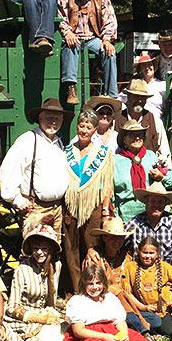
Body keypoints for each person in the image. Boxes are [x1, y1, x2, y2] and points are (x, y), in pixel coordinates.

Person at [62, 261, 151, 341]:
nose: (95, 287)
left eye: (98, 283)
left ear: (104, 284)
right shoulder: (78, 301)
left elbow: (120, 321)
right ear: (84, 284)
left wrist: (124, 334)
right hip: (88, 335)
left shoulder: (110, 299)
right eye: (90, 284)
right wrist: (105, 337)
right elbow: (78, 331)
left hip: (110, 330)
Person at [0, 97, 71, 236]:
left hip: (57, 209)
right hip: (35, 209)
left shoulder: (58, 143)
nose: (53, 122)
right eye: (49, 118)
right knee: (36, 252)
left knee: (53, 251)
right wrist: (17, 199)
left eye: (57, 119)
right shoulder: (27, 140)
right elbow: (7, 171)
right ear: (40, 118)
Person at [62, 106, 114, 292]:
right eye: (81, 126)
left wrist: (106, 210)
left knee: (92, 249)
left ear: (94, 130)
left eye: (88, 127)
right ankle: (75, 291)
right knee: (71, 251)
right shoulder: (67, 150)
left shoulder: (103, 153)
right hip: (70, 207)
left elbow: (107, 185)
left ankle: (95, 289)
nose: (84, 130)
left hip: (93, 206)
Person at [57, 0, 118, 103]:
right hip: (74, 37)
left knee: (110, 53)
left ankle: (112, 95)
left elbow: (110, 20)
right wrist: (67, 32)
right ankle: (71, 88)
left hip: (93, 39)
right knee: (69, 45)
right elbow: (60, 18)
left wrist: (107, 40)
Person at [5, 223, 65, 341]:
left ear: (51, 249)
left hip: (47, 314)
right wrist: (38, 318)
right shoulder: (22, 270)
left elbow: (51, 300)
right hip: (23, 319)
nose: (39, 252)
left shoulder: (56, 267)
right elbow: (12, 307)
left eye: (44, 248)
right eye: (35, 248)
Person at [111, 120, 172, 222]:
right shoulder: (115, 161)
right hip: (126, 217)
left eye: (140, 135)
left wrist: (161, 177)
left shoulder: (152, 156)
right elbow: (109, 192)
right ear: (124, 139)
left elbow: (171, 180)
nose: (137, 138)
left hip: (154, 214)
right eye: (132, 135)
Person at [123, 237, 172, 338]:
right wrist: (144, 307)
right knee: (155, 322)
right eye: (145, 252)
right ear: (139, 252)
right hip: (143, 310)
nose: (148, 256)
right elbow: (127, 293)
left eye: (151, 253)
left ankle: (150, 329)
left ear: (157, 254)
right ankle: (143, 327)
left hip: (164, 311)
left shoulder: (164, 267)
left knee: (168, 329)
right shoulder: (130, 267)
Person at [125, 182, 172, 274]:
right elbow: (120, 245)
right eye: (152, 201)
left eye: (160, 202)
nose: (156, 205)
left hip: (165, 275)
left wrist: (171, 275)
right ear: (146, 202)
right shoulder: (134, 223)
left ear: (165, 204)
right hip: (139, 276)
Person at [115, 79, 171, 163]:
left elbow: (164, 149)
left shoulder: (154, 119)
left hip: (149, 169)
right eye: (136, 96)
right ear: (128, 97)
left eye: (143, 97)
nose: (140, 100)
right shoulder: (117, 119)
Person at [128, 54, 167, 121]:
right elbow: (121, 99)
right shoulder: (134, 84)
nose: (147, 68)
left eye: (149, 64)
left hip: (157, 122)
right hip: (137, 123)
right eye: (144, 65)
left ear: (154, 67)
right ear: (140, 69)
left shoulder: (162, 85)